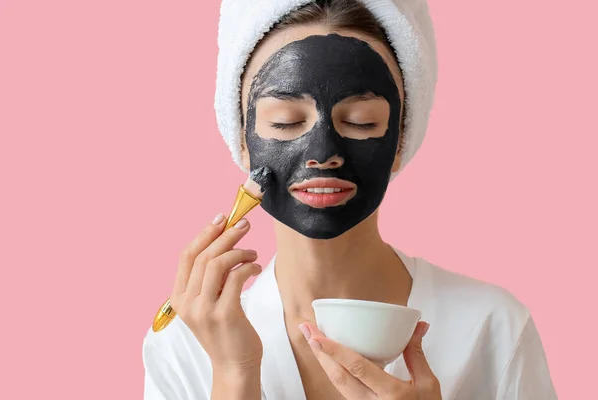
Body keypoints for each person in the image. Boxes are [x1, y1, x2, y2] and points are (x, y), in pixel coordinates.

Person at [142, 0, 557, 399]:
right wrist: (234, 376)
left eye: (362, 122)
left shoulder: (492, 327)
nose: (323, 152)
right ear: (242, 141)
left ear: (400, 140)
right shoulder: (187, 344)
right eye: (285, 121)